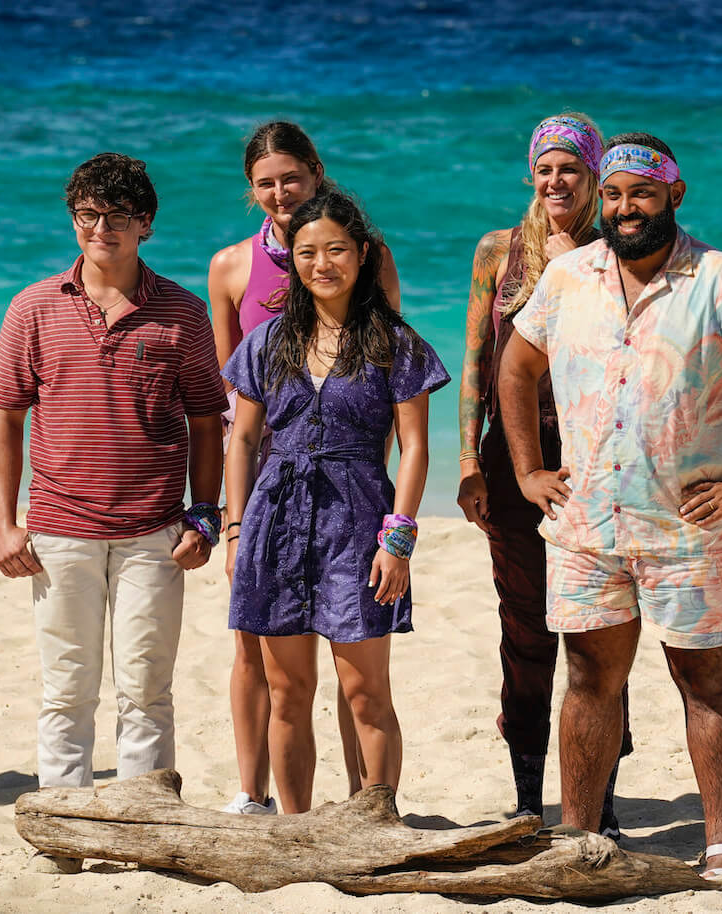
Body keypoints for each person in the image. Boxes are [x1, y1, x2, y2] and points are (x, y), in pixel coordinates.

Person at [499, 133, 722, 887]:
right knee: (588, 679)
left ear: (674, 193)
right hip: (585, 526)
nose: (624, 207)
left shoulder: (720, 280)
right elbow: (515, 365)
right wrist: (528, 470)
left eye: (641, 192)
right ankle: (578, 837)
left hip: (688, 528)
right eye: (612, 194)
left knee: (704, 678)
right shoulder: (570, 275)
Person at [0, 153, 227, 872]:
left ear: (145, 225)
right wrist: (3, 524)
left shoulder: (181, 311)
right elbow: (4, 420)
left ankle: (144, 830)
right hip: (58, 532)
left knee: (147, 690)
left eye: (117, 217)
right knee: (67, 689)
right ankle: (65, 828)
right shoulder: (34, 307)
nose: (100, 229)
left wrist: (205, 514)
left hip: (156, 531)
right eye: (87, 215)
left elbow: (207, 423)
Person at [223, 189, 448, 814]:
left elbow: (414, 448)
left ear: (364, 254)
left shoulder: (395, 345)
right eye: (307, 253)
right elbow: (242, 438)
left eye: (336, 250)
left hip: (358, 524)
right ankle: (298, 832)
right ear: (291, 260)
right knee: (288, 690)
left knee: (365, 691)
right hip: (274, 521)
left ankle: (374, 820)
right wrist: (235, 530)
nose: (322, 264)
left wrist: (397, 540)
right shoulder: (268, 341)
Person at [208, 121, 402, 814]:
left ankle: (363, 806)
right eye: (266, 182)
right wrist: (236, 521)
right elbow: (232, 400)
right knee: (260, 658)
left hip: (347, 487)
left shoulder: (365, 254)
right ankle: (253, 793)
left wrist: (371, 498)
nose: (281, 192)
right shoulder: (231, 265)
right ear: (251, 190)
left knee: (357, 667)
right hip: (266, 487)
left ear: (317, 172)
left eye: (292, 177)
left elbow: (379, 385)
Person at [456, 113, 631, 833]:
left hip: (596, 462)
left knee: (602, 628)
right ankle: (530, 796)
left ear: (593, 178)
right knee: (524, 628)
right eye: (545, 169)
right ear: (532, 175)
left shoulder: (620, 250)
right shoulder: (499, 253)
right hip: (511, 462)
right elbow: (475, 361)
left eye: (571, 170)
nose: (556, 181)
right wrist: (468, 458)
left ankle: (602, 797)